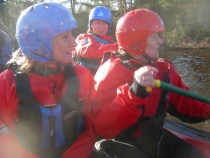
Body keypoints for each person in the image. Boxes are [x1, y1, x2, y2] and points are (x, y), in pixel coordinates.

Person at [0, 2, 157, 158]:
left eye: (71, 34)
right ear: (39, 44)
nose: (74, 42)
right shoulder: (6, 82)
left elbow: (101, 125)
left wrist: (134, 93)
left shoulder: (81, 75)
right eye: (64, 37)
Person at [93, 8, 210, 158]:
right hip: (120, 142)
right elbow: (102, 126)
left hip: (152, 136)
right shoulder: (109, 72)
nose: (160, 41)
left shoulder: (163, 70)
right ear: (136, 43)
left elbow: (187, 103)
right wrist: (135, 91)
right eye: (154, 37)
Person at [73, 6, 118, 75]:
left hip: (105, 78)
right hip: (87, 79)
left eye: (105, 23)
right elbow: (90, 51)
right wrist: (119, 47)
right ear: (91, 25)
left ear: (109, 26)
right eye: (97, 22)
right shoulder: (84, 37)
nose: (101, 26)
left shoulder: (111, 42)